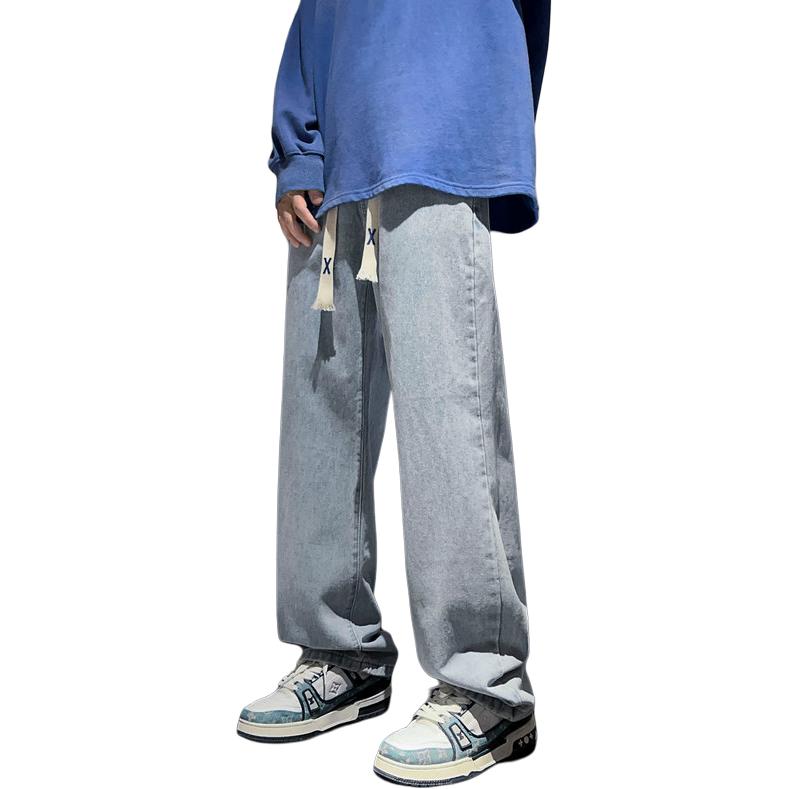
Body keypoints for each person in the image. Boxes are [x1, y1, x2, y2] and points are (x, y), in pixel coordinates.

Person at [237, 1, 550, 784]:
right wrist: (298, 152)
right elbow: (317, 15)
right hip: (335, 157)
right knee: (319, 413)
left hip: (435, 136)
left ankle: (486, 684)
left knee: (449, 414)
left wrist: (482, 122)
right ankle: (340, 652)